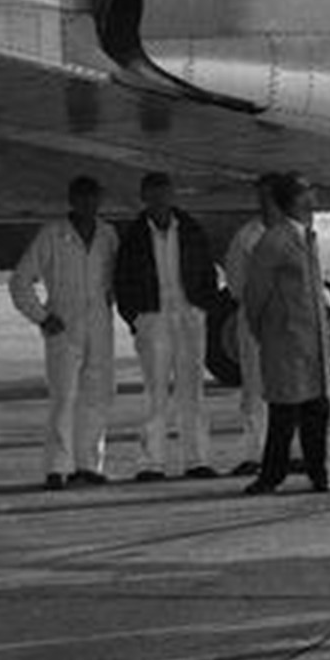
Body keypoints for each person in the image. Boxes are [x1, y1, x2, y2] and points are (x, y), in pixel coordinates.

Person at [9, 175, 121, 490]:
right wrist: (41, 317)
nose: (88, 204)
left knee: (97, 395)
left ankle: (88, 464)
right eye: (82, 198)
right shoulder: (52, 234)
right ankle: (57, 467)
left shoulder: (108, 235)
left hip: (99, 322)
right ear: (71, 200)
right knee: (64, 396)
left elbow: (116, 276)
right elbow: (21, 280)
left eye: (93, 198)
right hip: (64, 322)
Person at [114, 171, 220, 481]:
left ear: (172, 196)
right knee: (155, 391)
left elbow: (206, 270)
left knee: (192, 390)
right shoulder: (133, 236)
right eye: (154, 195)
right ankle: (151, 463)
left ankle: (197, 459)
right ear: (145, 198)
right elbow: (122, 281)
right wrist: (135, 318)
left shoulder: (189, 229)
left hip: (188, 315)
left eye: (165, 194)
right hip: (153, 317)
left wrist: (203, 307)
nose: (160, 201)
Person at [241, 173, 330, 495]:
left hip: (312, 342)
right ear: (293, 200)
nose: (313, 196)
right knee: (285, 412)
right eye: (307, 191)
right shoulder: (275, 241)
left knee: (316, 410)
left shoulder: (307, 236)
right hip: (287, 341)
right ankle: (272, 475)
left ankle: (318, 472)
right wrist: (268, 330)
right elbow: (255, 295)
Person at [221, 174, 282, 477]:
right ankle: (256, 453)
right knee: (255, 388)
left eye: (271, 196)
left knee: (290, 387)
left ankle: (288, 451)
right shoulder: (246, 237)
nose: (266, 202)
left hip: (287, 322)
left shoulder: (295, 232)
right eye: (263, 197)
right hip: (256, 319)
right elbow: (234, 283)